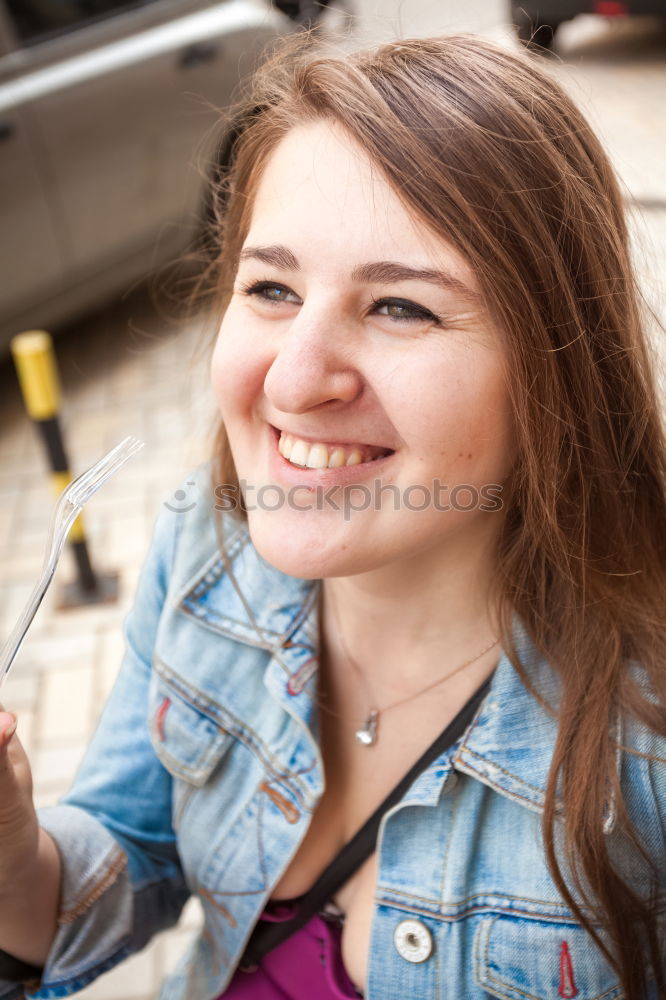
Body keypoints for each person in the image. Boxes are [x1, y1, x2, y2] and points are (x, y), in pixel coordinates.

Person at [0, 29, 664, 1000]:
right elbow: (129, 856)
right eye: (271, 287)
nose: (296, 379)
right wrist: (15, 847)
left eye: (401, 307)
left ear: (558, 368)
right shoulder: (208, 543)